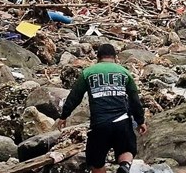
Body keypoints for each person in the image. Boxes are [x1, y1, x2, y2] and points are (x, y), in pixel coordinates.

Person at [57, 44, 146, 173]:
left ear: (97, 58)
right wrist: (140, 120)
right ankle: (125, 166)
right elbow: (135, 100)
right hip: (122, 121)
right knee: (127, 149)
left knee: (96, 161)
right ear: (115, 58)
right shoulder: (124, 72)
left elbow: (74, 97)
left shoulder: (88, 72)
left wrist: (64, 116)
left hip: (100, 124)